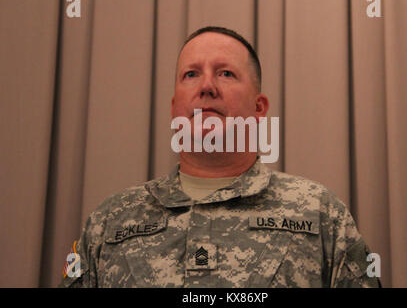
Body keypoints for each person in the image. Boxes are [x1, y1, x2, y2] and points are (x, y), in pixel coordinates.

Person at [60, 26, 381, 288]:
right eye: (191, 74)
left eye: (225, 73)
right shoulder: (110, 221)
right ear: (174, 108)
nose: (207, 87)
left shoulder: (320, 213)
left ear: (259, 109)